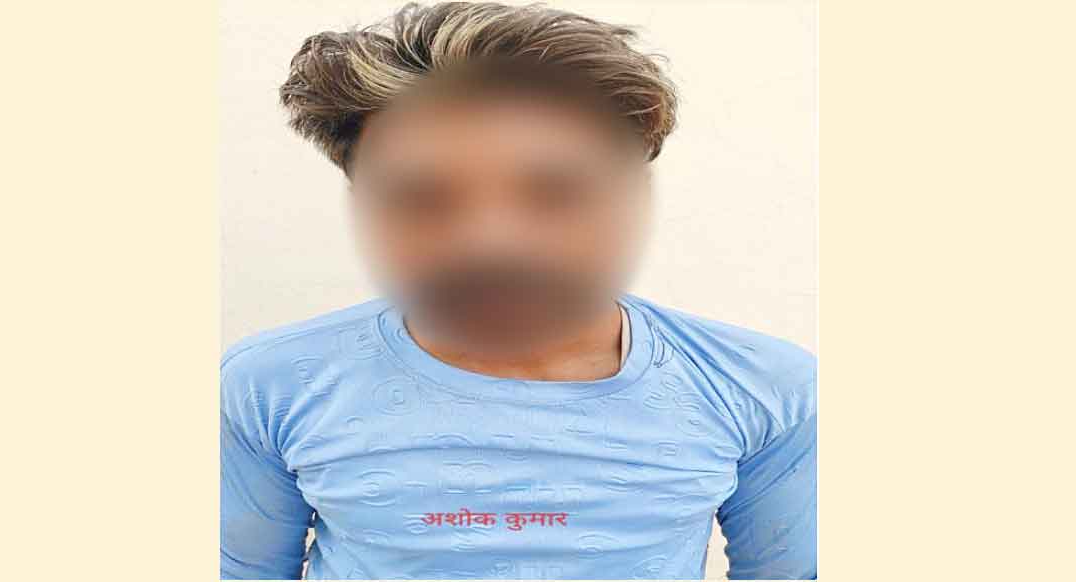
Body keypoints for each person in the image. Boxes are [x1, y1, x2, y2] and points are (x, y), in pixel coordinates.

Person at [220, 2, 816, 579]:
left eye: (553, 191)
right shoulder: (273, 385)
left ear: (632, 193)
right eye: (423, 197)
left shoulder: (762, 388)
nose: (490, 241)